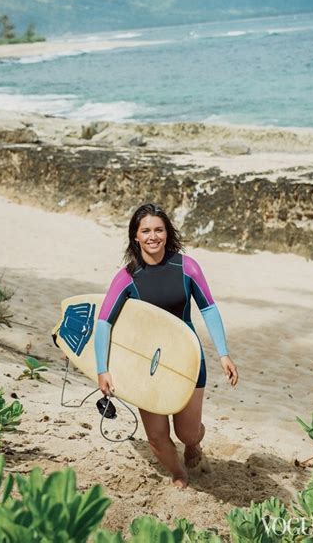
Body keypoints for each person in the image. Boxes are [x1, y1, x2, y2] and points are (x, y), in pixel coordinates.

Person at [94, 203, 238, 488]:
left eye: (158, 229)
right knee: (157, 437)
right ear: (135, 236)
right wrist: (103, 369)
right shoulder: (127, 277)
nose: (152, 236)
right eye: (145, 230)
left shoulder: (187, 268)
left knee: (188, 433)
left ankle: (194, 446)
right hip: (149, 366)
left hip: (188, 360)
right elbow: (103, 322)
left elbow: (208, 309)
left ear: (167, 232)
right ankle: (179, 473)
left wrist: (223, 354)